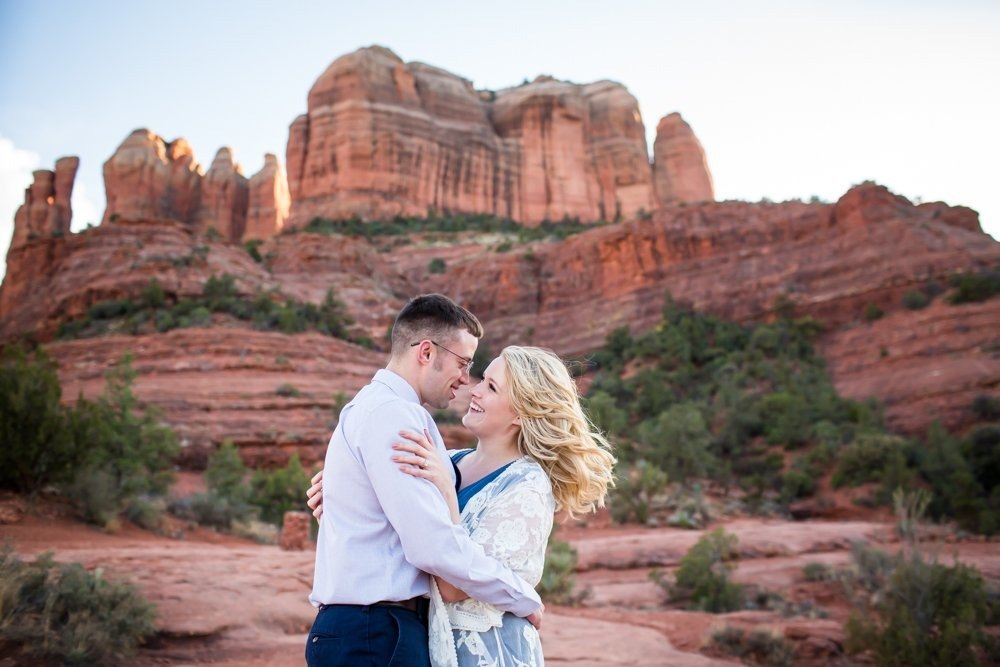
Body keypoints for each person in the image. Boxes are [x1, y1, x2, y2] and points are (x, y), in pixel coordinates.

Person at [309, 345, 616, 667]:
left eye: (492, 387)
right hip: (423, 644)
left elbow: (454, 588)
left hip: (486, 652)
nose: (474, 389)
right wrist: (347, 493)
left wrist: (445, 493)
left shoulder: (528, 485)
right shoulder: (447, 460)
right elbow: (402, 531)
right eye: (483, 378)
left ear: (522, 412)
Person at [306, 294, 543, 667]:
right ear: (427, 352)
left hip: (366, 631)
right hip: (376, 633)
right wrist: (522, 596)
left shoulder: (372, 407)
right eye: (463, 363)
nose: (467, 381)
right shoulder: (396, 416)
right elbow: (431, 547)